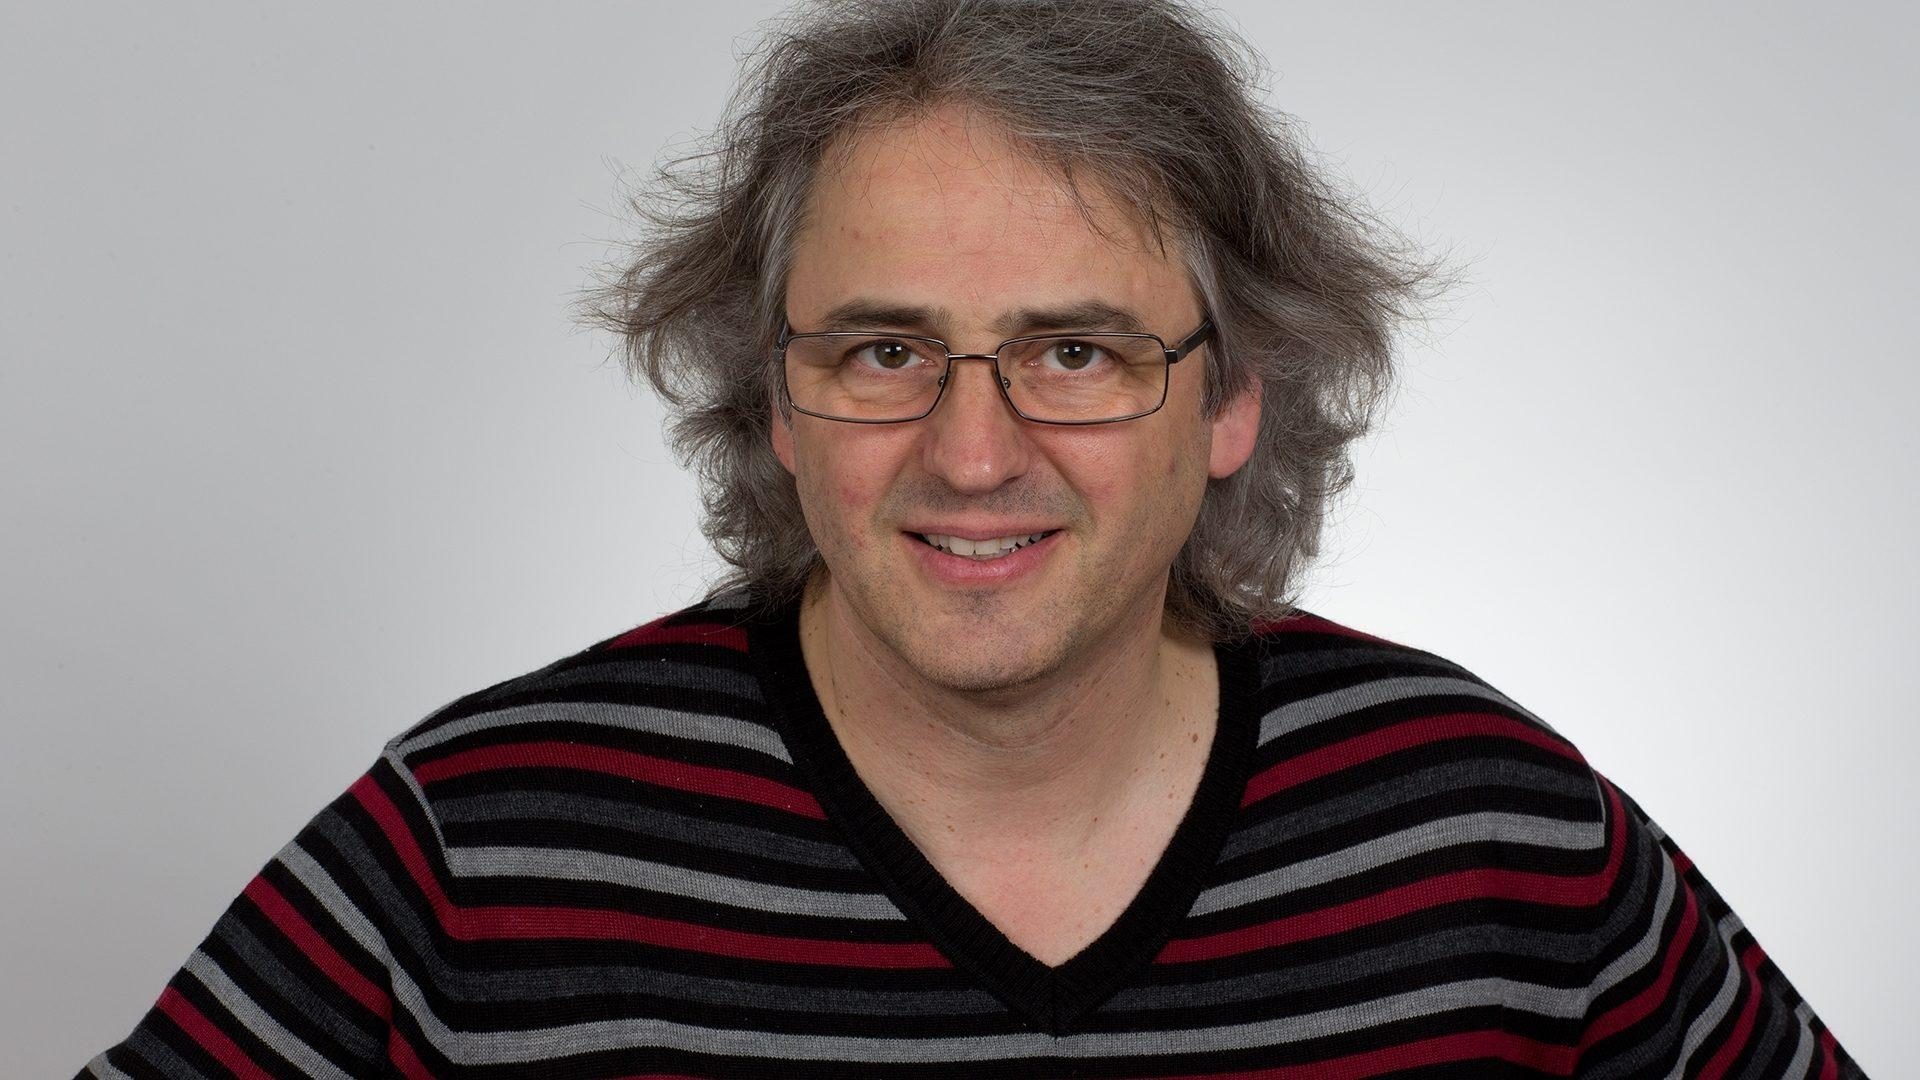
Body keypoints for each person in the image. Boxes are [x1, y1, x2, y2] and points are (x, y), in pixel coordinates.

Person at [79, 1, 1868, 1077]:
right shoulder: (478, 843)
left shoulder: (1489, 829)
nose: (973, 449)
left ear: (1231, 400)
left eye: (1075, 352)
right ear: (779, 404)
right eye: (884, 351)